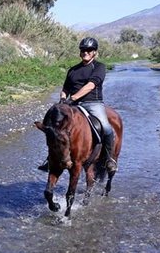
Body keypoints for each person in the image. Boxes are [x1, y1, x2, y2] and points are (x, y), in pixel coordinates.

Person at [38, 36, 118, 173]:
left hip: (93, 103)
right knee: (56, 128)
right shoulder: (73, 70)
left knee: (106, 127)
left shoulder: (99, 67)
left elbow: (90, 85)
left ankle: (109, 159)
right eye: (83, 50)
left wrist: (73, 97)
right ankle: (50, 158)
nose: (86, 52)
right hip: (73, 105)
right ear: (80, 52)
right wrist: (63, 98)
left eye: (89, 50)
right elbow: (65, 88)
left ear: (94, 52)